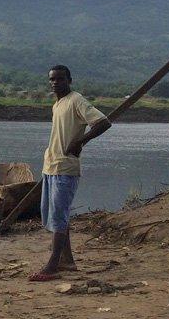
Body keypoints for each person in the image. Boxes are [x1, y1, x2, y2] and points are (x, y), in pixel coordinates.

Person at [29, 65, 111, 282]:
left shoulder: (76, 100)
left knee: (58, 216)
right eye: (52, 79)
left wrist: (81, 141)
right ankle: (67, 261)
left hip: (66, 168)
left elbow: (103, 122)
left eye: (60, 79)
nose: (55, 82)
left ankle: (53, 265)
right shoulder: (57, 104)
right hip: (51, 166)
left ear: (69, 80)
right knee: (52, 214)